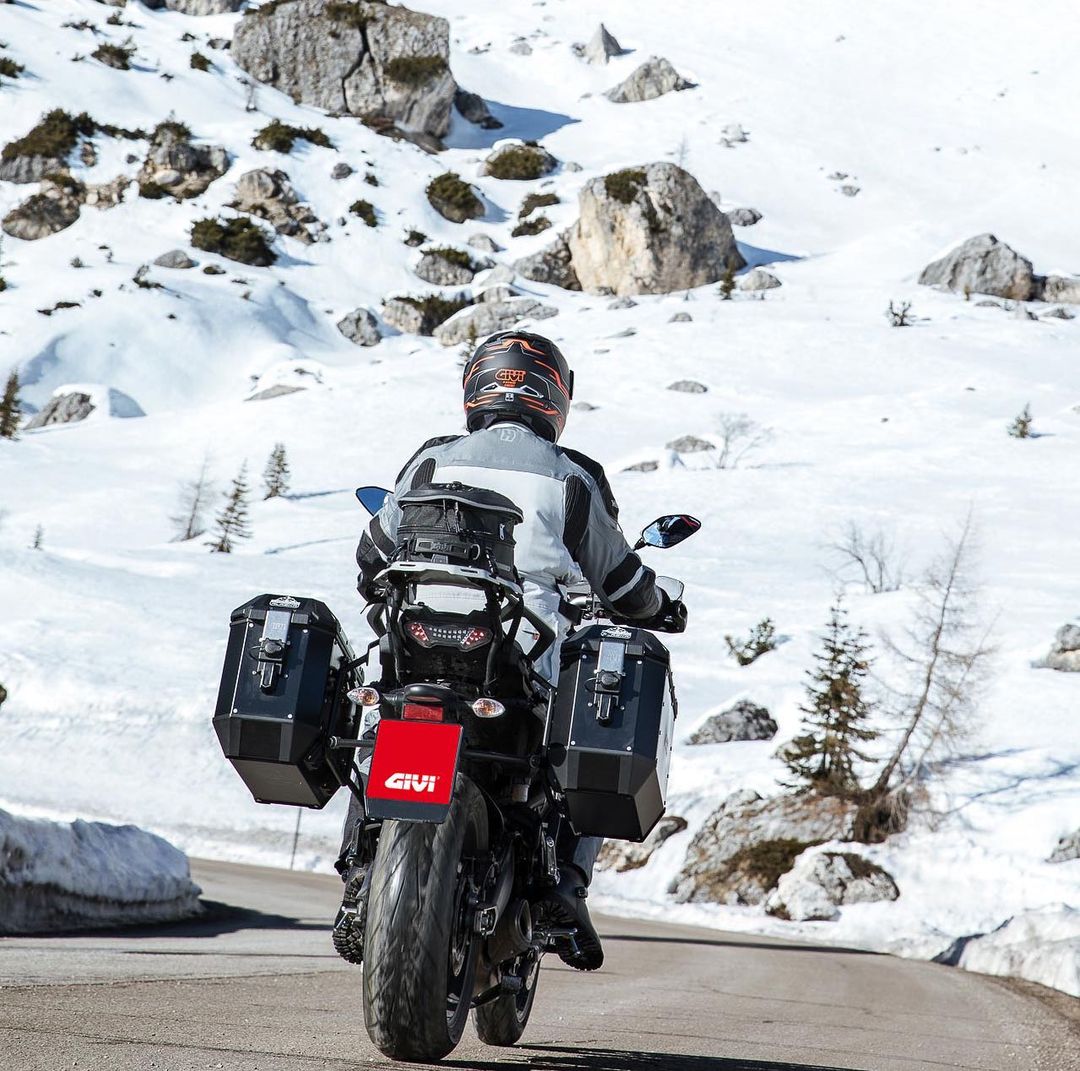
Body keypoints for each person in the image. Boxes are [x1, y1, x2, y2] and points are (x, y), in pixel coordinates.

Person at [334, 330, 687, 971]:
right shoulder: (572, 477)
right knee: (589, 732)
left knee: (385, 719)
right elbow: (621, 583)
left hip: (415, 647)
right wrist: (661, 606)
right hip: (516, 662)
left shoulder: (431, 458)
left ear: (475, 387)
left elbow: (372, 554)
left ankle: (361, 872)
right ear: (554, 395)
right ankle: (565, 890)